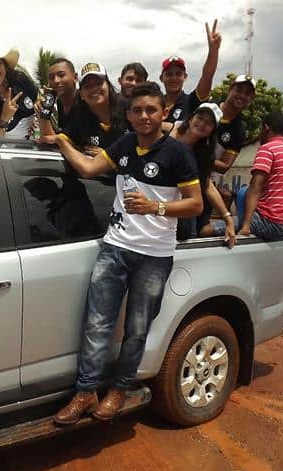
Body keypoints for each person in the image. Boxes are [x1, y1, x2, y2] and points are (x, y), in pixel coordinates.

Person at [41, 82, 202, 424]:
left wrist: (155, 207)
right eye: (137, 110)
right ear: (128, 115)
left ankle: (120, 390)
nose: (144, 116)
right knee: (96, 324)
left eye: (151, 110)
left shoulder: (177, 153)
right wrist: (62, 141)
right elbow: (88, 169)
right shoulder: (125, 144)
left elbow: (196, 204)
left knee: (137, 330)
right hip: (115, 248)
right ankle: (86, 392)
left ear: (163, 113)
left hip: (154, 256)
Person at [171, 102, 236, 247]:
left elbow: (207, 186)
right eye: (200, 118)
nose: (202, 124)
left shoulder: (203, 155)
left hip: (183, 212)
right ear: (190, 118)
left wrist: (228, 219)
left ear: (212, 131)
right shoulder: (167, 135)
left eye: (209, 123)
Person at [239, 112, 283, 241]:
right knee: (243, 192)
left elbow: (255, 188)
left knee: (208, 229)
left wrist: (246, 226)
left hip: (269, 221)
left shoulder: (267, 149)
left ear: (266, 128)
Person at [42, 62, 128, 157]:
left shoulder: (127, 108)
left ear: (108, 86)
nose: (94, 89)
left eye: (99, 83)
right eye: (87, 86)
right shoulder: (80, 116)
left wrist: (109, 155)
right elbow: (55, 141)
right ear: (81, 95)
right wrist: (43, 113)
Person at [160, 20, 221, 124]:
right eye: (169, 74)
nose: (174, 78)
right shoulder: (155, 103)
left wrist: (213, 51)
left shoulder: (192, 101)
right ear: (161, 78)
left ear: (185, 77)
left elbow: (207, 76)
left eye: (178, 74)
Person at [211, 75, 256, 181]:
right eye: (239, 90)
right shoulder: (209, 107)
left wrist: (200, 157)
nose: (242, 96)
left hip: (207, 180)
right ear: (230, 89)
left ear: (251, 99)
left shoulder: (239, 131)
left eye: (247, 93)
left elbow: (225, 166)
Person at [47, 58, 79, 130]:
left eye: (61, 75)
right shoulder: (59, 101)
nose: (56, 80)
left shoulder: (84, 101)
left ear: (75, 77)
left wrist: (43, 116)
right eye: (51, 77)